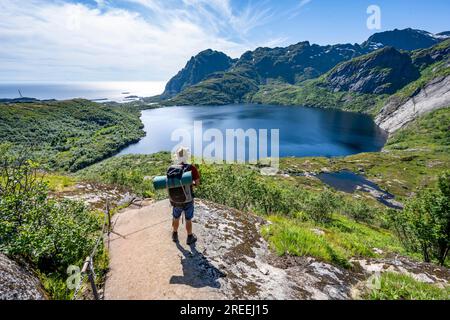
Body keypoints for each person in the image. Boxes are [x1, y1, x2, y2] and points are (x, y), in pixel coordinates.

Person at [170, 147, 200, 245]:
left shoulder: (172, 168)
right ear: (187, 156)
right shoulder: (191, 168)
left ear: (177, 157)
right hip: (188, 199)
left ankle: (174, 234)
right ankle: (189, 237)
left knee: (175, 217)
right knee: (188, 219)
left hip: (176, 200)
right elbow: (198, 183)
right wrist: (192, 184)